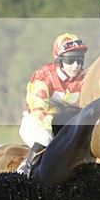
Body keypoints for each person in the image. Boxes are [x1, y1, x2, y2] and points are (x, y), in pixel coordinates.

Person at [16, 33, 88, 176]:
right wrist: (61, 127)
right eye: (70, 59)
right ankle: (24, 171)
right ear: (59, 60)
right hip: (37, 123)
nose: (76, 65)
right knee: (46, 139)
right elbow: (39, 112)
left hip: (65, 128)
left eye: (80, 59)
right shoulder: (44, 76)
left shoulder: (83, 79)